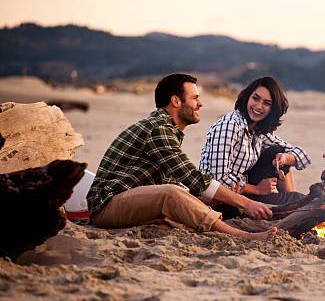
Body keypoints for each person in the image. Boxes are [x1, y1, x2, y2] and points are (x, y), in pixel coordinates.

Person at [87, 73, 276, 241]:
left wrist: (218, 198)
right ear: (176, 101)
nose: (200, 103)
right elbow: (193, 178)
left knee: (184, 198)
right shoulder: (158, 129)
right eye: (195, 98)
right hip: (106, 205)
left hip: (130, 201)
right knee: (171, 193)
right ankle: (243, 235)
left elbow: (181, 183)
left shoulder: (168, 130)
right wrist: (247, 202)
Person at [199, 76, 310, 217]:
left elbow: (300, 154)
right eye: (255, 98)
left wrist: (285, 158)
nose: (258, 106)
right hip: (221, 200)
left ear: (273, 109)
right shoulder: (230, 126)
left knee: (277, 152)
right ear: (247, 97)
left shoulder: (257, 129)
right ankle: (293, 209)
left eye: (266, 103)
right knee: (297, 200)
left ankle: (292, 208)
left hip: (242, 190)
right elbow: (217, 180)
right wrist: (257, 189)